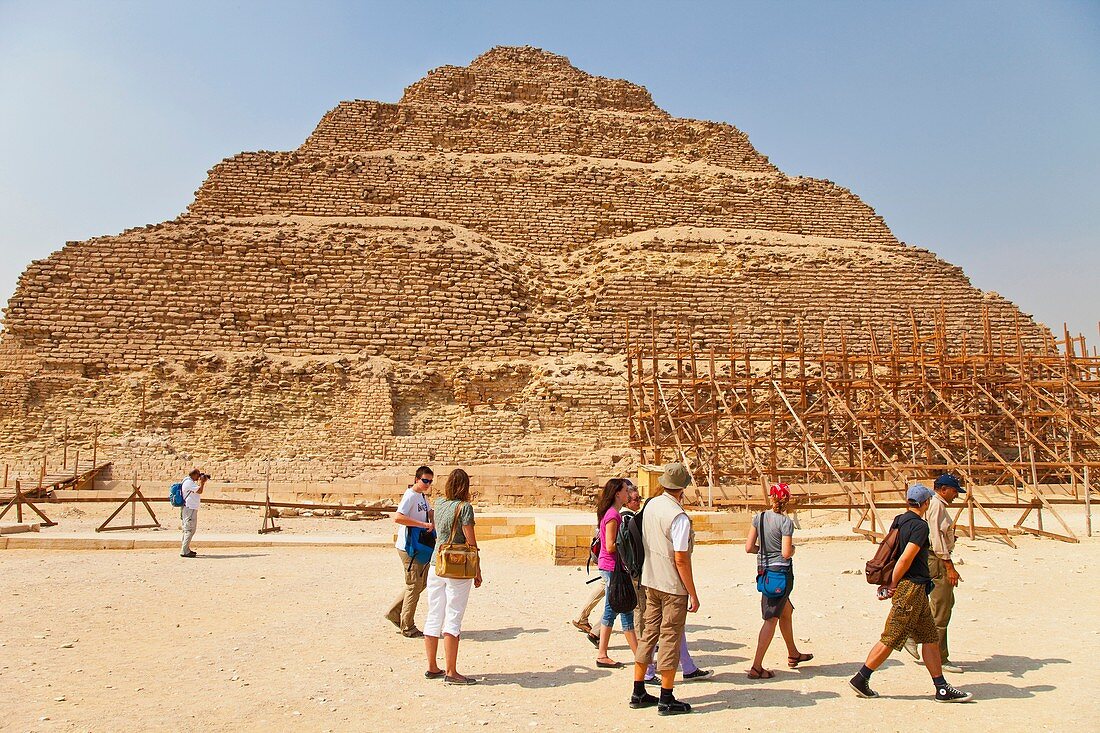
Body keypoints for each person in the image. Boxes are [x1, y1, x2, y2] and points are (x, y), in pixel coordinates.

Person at [849, 484, 973, 703]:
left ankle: (941, 687)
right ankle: (861, 677)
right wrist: (892, 583)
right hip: (910, 587)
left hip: (917, 587)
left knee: (929, 637)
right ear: (925, 503)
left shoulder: (900, 520)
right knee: (892, 636)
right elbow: (906, 558)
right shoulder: (919, 526)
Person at [629, 462, 698, 716]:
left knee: (648, 634)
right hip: (671, 585)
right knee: (670, 637)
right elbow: (681, 558)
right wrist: (692, 592)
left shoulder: (651, 505)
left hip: (650, 580)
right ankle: (666, 698)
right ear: (683, 488)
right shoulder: (678, 516)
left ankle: (638, 691)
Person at [744, 482, 812, 678]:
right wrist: (793, 550)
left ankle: (793, 654)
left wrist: (764, 551)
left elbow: (749, 547)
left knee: (786, 611)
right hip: (779, 575)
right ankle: (756, 667)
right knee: (771, 619)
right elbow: (785, 552)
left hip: (764, 572)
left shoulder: (758, 518)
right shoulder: (785, 522)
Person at [423, 468, 482, 685]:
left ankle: (431, 667)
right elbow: (471, 541)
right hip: (457, 567)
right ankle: (451, 671)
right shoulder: (464, 507)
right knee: (453, 616)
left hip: (436, 563)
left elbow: (440, 532)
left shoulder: (439, 504)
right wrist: (478, 570)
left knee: (434, 614)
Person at [905, 473, 965, 672]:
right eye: (955, 491)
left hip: (933, 558)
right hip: (938, 560)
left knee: (936, 602)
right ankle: (939, 657)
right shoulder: (937, 505)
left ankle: (912, 633)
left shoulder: (934, 505)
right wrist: (949, 565)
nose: (956, 496)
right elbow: (937, 537)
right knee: (942, 606)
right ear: (944, 489)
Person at [385, 466, 435, 638]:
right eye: (425, 481)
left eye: (430, 481)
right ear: (416, 479)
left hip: (419, 546)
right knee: (414, 585)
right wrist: (423, 525)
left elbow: (429, 510)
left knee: (420, 584)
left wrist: (433, 521)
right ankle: (407, 626)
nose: (428, 484)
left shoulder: (421, 495)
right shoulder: (410, 495)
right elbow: (398, 517)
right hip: (409, 547)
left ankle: (394, 612)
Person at [594, 478, 639, 668]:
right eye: (624, 490)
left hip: (612, 567)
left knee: (621, 609)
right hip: (613, 567)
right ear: (617, 494)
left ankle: (638, 656)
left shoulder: (613, 513)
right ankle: (636, 657)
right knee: (617, 609)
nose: (628, 493)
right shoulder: (613, 516)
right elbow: (611, 545)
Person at [180, 469, 206, 558]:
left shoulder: (189, 481)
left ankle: (186, 549)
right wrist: (202, 483)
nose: (199, 477)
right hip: (189, 509)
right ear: (194, 474)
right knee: (190, 530)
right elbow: (200, 491)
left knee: (187, 529)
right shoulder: (189, 482)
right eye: (198, 475)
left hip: (189, 508)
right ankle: (184, 551)